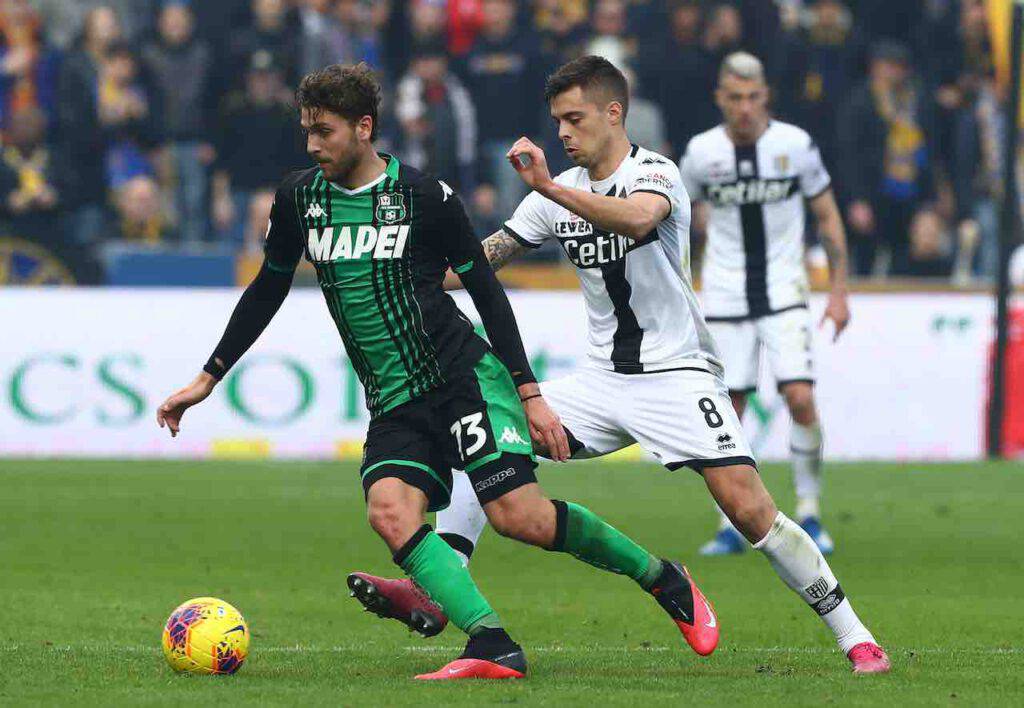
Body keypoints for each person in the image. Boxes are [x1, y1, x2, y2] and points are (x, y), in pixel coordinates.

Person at [155, 62, 718, 681]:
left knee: (517, 518)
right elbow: (267, 289)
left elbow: (488, 294)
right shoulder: (298, 200)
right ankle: (493, 646)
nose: (313, 145)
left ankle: (663, 578)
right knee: (389, 510)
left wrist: (528, 392)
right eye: (307, 132)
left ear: (363, 127)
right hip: (394, 397)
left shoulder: (425, 197)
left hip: (462, 376)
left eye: (325, 131)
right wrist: (208, 377)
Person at [345, 55, 890, 675]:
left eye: (574, 119)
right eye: (557, 121)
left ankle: (855, 636)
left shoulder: (654, 172)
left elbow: (638, 219)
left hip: (678, 375)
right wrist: (395, 270)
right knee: (488, 444)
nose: (564, 133)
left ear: (614, 112)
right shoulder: (553, 198)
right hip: (601, 381)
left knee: (749, 510)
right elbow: (483, 260)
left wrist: (549, 187)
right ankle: (439, 585)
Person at [677, 52, 849, 558]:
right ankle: (729, 523)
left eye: (753, 98)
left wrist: (838, 291)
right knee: (726, 412)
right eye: (735, 98)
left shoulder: (795, 146)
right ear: (720, 99)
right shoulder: (701, 153)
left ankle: (811, 511)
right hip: (726, 294)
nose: (745, 108)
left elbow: (828, 216)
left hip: (785, 292)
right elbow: (676, 226)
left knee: (799, 396)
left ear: (766, 96)